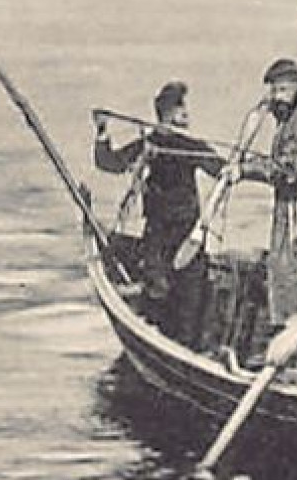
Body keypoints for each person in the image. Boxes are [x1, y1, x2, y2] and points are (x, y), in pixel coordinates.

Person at [93, 81, 224, 341]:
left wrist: (238, 169)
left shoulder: (186, 145)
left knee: (186, 290)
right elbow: (110, 163)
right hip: (162, 231)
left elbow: (221, 169)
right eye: (180, 107)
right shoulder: (152, 144)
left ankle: (178, 342)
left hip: (187, 233)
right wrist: (102, 131)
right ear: (168, 113)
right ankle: (174, 339)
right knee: (166, 288)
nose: (186, 112)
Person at [238, 58, 297, 326]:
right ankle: (290, 333)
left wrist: (247, 170)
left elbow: (290, 170)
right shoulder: (290, 118)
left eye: (284, 90)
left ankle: (296, 340)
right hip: (291, 205)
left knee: (292, 270)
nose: (278, 97)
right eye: (274, 91)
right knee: (286, 267)